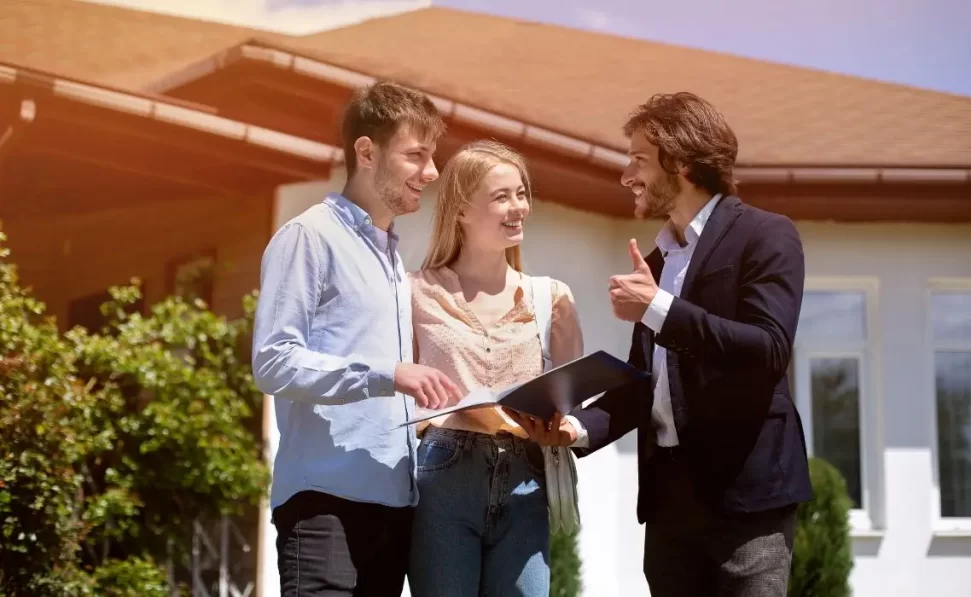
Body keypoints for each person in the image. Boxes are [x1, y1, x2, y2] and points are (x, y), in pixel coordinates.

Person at [521, 92, 812, 597]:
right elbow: (645, 386)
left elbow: (767, 349)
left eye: (638, 160)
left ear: (679, 162)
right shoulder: (655, 263)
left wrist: (658, 307)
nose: (626, 176)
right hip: (670, 503)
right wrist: (576, 427)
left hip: (747, 498)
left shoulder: (766, 235)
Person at [251, 81, 463, 597]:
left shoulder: (391, 257)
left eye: (432, 157)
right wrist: (386, 374)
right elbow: (273, 362)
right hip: (324, 509)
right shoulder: (309, 236)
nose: (431, 174)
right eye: (416, 156)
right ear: (366, 152)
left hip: (393, 508)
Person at [405, 139, 584, 597]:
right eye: (501, 196)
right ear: (461, 210)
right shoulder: (414, 292)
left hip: (526, 474)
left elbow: (573, 398)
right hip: (443, 475)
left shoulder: (552, 299)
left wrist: (563, 417)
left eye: (522, 193)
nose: (518, 207)